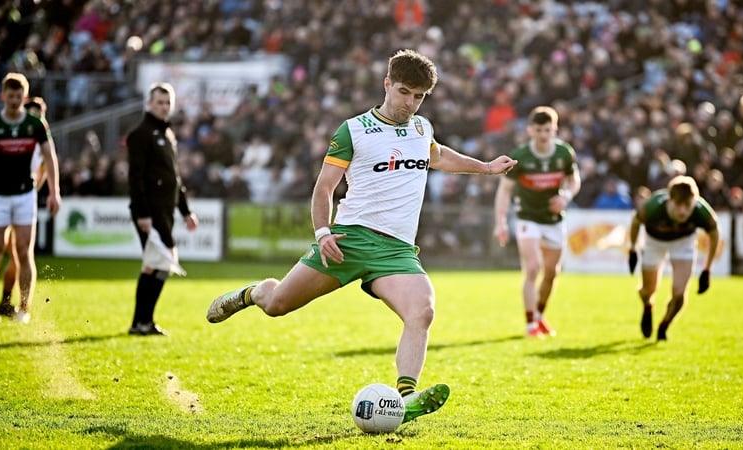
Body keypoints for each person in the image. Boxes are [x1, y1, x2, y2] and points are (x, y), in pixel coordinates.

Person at [205, 49, 517, 423]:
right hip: (348, 240)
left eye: (419, 97)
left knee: (422, 311)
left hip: (396, 251)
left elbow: (438, 156)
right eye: (404, 92)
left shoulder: (422, 127)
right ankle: (253, 292)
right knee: (277, 305)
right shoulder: (352, 130)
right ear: (387, 84)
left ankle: (405, 398)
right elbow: (324, 189)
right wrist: (322, 233)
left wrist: (484, 167)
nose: (411, 103)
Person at [0, 73, 61, 323]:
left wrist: (54, 192)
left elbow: (50, 159)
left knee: (23, 252)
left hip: (24, 195)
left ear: (25, 97)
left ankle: (23, 309)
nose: (14, 100)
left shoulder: (35, 125)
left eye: (18, 97)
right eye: (10, 96)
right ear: (3, 96)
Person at [493, 106, 581, 338]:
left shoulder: (564, 153)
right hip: (527, 217)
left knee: (552, 273)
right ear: (530, 130)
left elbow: (574, 181)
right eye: (539, 129)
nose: (544, 134)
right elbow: (504, 190)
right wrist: (500, 222)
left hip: (553, 220)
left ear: (555, 130)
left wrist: (566, 197)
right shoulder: (520, 156)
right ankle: (530, 323)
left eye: (548, 130)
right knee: (533, 268)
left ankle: (540, 315)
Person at [127, 82, 198, 336]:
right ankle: (141, 322)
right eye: (159, 102)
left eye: (168, 102)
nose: (164, 107)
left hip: (165, 211)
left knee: (157, 265)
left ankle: (143, 322)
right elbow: (135, 178)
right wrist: (142, 213)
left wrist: (186, 211)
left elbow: (174, 178)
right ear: (149, 104)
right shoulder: (141, 134)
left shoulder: (167, 134)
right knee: (159, 264)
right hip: (150, 212)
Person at [628, 175, 720, 341]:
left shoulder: (701, 211)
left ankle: (664, 325)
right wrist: (633, 249)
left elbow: (714, 233)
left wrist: (707, 269)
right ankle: (648, 306)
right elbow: (635, 222)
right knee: (647, 290)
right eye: (678, 204)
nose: (683, 211)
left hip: (683, 242)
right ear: (670, 201)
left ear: (694, 201)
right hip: (654, 242)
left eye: (687, 205)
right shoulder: (654, 206)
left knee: (679, 292)